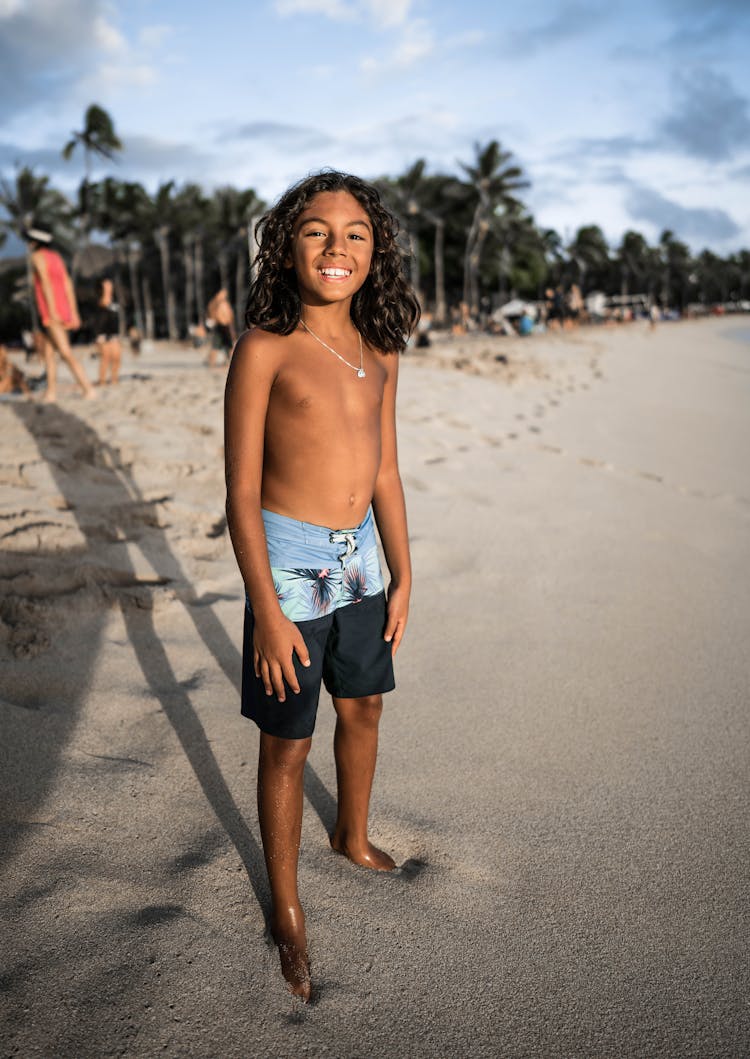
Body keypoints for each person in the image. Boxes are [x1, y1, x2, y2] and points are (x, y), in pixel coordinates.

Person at [224, 171, 419, 1002]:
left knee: (364, 705)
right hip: (291, 564)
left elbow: (384, 468)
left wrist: (406, 569)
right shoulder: (265, 347)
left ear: (376, 255)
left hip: (364, 561)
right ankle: (288, 906)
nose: (336, 247)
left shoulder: (381, 353)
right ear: (286, 244)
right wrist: (267, 612)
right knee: (289, 740)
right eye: (316, 231)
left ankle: (351, 833)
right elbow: (238, 494)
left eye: (355, 235)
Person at [23, 228, 96, 402]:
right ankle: (51, 393)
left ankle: (88, 388)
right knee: (49, 354)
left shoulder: (37, 257)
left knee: (65, 352)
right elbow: (67, 284)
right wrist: (74, 312)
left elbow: (46, 283)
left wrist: (52, 311)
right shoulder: (56, 257)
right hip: (63, 308)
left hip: (50, 310)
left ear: (34, 242)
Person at [92, 277, 122, 386]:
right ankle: (102, 381)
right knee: (105, 357)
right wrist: (97, 335)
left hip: (114, 332)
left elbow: (116, 314)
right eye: (106, 285)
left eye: (110, 285)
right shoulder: (98, 299)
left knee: (117, 357)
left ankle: (114, 379)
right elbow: (100, 311)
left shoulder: (115, 299)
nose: (109, 287)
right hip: (102, 333)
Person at [206, 288, 237, 367]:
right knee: (221, 345)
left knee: (226, 345)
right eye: (223, 293)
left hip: (223, 326)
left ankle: (229, 362)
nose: (224, 295)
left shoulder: (216, 303)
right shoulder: (218, 303)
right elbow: (220, 315)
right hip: (223, 326)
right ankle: (213, 362)